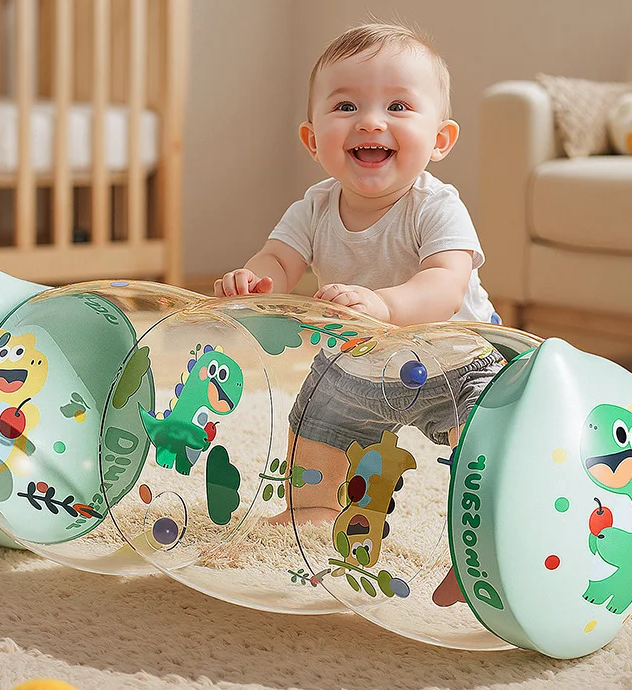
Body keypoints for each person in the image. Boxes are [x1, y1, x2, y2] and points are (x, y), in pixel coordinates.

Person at [214, 22, 503, 540]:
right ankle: (313, 507)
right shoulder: (314, 208)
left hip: (454, 360)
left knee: (492, 434)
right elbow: (279, 259)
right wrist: (255, 280)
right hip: (356, 361)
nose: (370, 121)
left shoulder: (436, 206)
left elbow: (446, 285)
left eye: (398, 106)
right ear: (312, 140)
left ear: (439, 140)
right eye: (346, 106)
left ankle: (497, 514)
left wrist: (384, 305)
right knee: (318, 423)